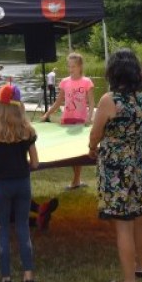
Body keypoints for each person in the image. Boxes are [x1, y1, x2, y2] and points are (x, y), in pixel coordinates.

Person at [87, 48, 142, 282]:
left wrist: (92, 148)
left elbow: (96, 133)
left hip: (118, 163)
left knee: (123, 223)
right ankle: (141, 267)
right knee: (141, 215)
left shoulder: (110, 100)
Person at [0, 85, 40, 282]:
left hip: (2, 185)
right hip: (22, 183)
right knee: (23, 228)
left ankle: (6, 280)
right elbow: (35, 163)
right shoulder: (27, 132)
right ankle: (28, 279)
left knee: (3, 229)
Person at [40, 52, 95, 190]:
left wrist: (89, 118)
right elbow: (58, 102)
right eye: (69, 66)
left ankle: (76, 180)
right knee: (70, 151)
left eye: (73, 66)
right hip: (67, 120)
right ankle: (77, 180)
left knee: (78, 151)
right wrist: (47, 114)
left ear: (80, 66)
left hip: (81, 120)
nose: (70, 69)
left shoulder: (87, 82)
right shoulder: (64, 82)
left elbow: (92, 103)